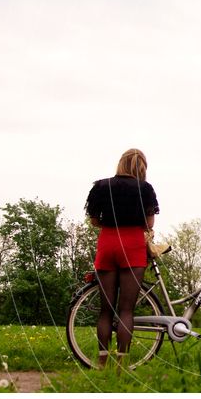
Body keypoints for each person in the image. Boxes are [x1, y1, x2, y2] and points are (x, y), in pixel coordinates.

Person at [85, 148, 159, 369]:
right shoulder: (145, 189)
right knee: (126, 309)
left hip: (108, 242)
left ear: (121, 163)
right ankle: (121, 364)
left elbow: (94, 220)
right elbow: (149, 224)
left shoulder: (101, 186)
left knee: (106, 309)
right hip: (133, 245)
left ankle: (101, 360)